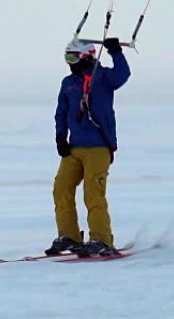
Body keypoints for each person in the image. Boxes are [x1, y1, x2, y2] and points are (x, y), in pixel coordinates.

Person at [44, 37, 131, 258]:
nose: (69, 62)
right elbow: (61, 112)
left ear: (85, 57)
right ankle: (69, 236)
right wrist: (60, 137)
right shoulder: (68, 83)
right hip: (74, 148)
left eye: (72, 57)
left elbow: (122, 75)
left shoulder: (102, 78)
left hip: (98, 147)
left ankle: (101, 239)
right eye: (66, 57)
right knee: (61, 188)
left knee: (93, 194)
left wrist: (115, 52)